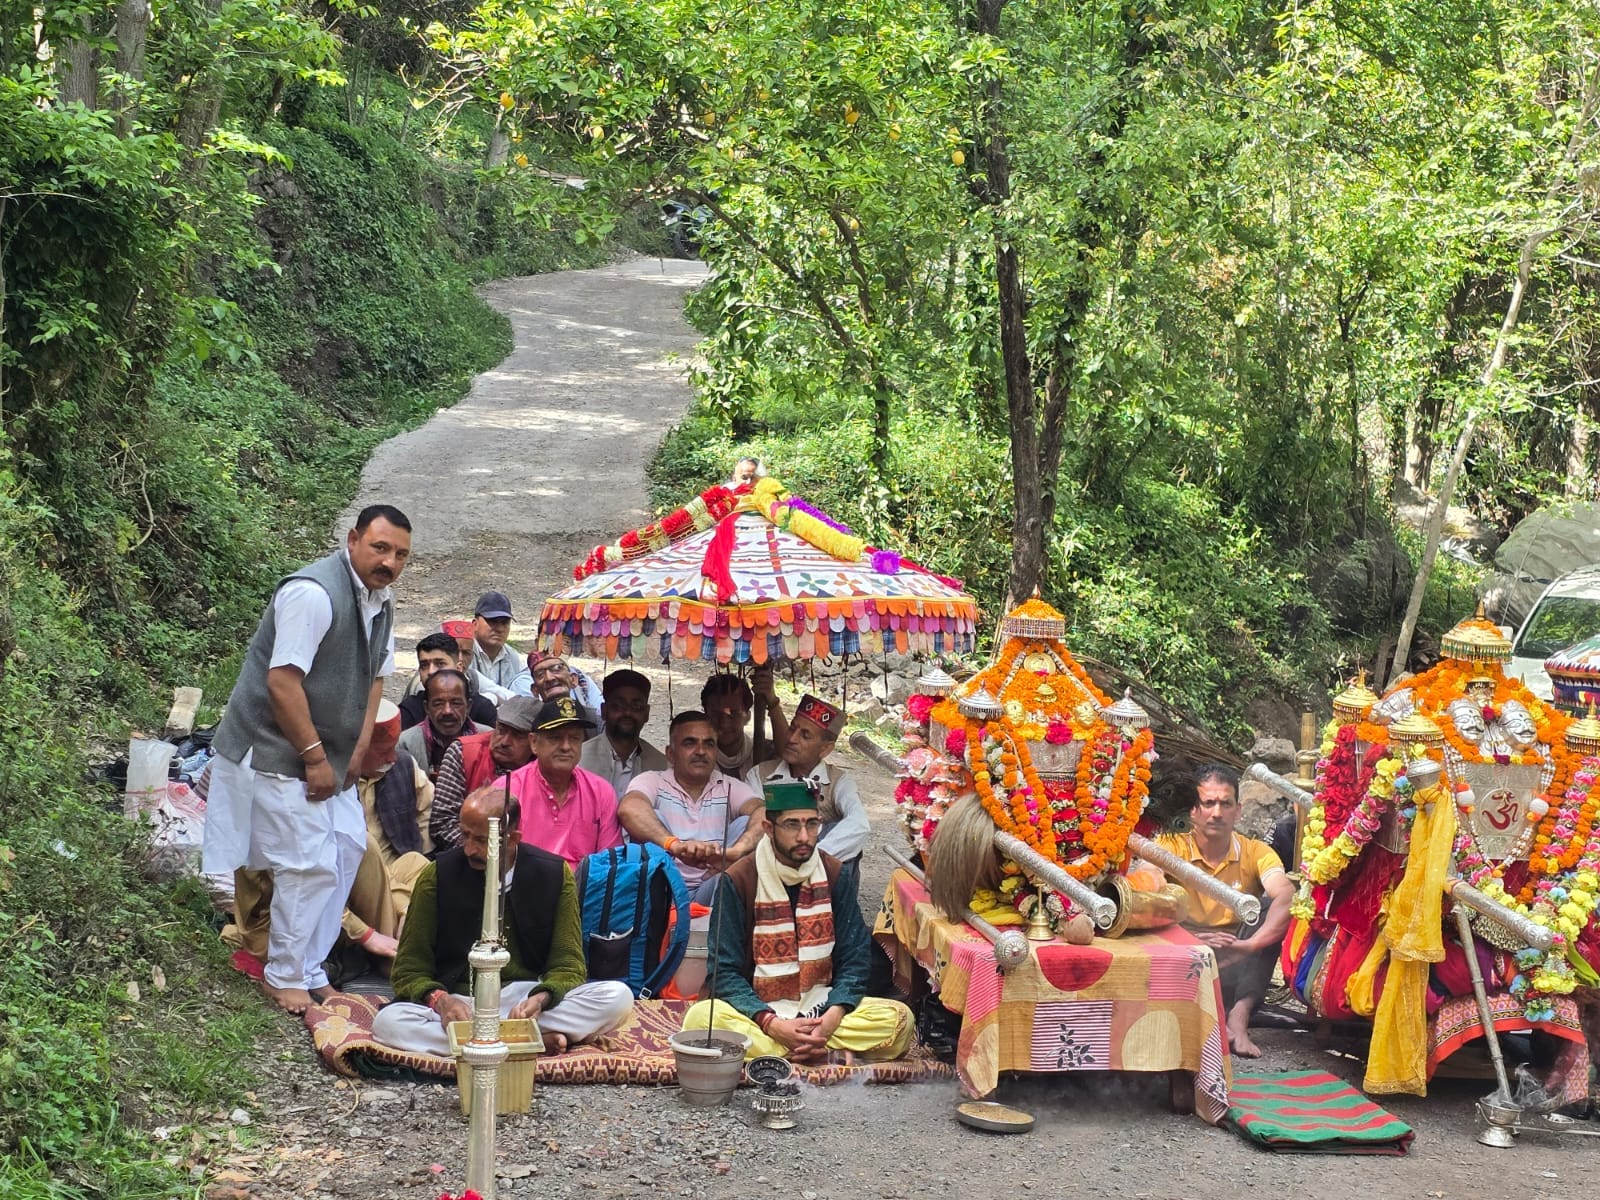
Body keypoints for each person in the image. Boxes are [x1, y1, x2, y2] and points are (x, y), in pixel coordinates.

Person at [203, 503, 410, 1014]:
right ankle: (283, 974)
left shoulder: (380, 602)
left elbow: (376, 679)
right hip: (275, 747)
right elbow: (282, 682)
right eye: (380, 547)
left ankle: (311, 967)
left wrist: (358, 750)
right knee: (306, 863)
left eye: (400, 554)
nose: (389, 562)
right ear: (353, 538)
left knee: (343, 850)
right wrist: (316, 757)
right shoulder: (312, 594)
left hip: (333, 755)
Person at [372, 785, 635, 1055]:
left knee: (618, 997)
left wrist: (541, 999)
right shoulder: (437, 876)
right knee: (388, 1023)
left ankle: (485, 1043)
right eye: (465, 835)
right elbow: (408, 970)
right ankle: (527, 1043)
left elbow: (568, 966)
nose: (469, 849)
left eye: (482, 840)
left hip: (521, 1003)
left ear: (512, 839)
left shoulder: (554, 876)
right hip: (461, 1004)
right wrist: (441, 1001)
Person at [682, 781, 913, 1063]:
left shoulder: (834, 874)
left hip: (822, 1010)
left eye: (812, 824)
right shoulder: (739, 878)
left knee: (900, 1019)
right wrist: (772, 1024)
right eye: (792, 825)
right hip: (759, 1012)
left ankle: (789, 1051)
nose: (804, 836)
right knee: (700, 1018)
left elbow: (855, 961)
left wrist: (831, 1019)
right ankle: (822, 1053)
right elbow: (723, 972)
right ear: (769, 829)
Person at [1156, 763, 1294, 1058]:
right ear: (1193, 810)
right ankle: (1206, 1021)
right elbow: (1144, 890)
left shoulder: (1256, 851)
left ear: (1238, 810)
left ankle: (1239, 1017)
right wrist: (1188, 938)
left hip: (1237, 958)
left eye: (1225, 803)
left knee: (1271, 906)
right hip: (1187, 952)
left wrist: (1249, 945)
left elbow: (1285, 894)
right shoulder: (1169, 846)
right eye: (1208, 803)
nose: (1216, 813)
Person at [618, 711, 764, 903]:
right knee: (653, 816)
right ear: (670, 753)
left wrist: (736, 852)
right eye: (690, 743)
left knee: (750, 822)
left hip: (711, 885)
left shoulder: (729, 786)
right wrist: (676, 846)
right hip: (662, 887)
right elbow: (629, 809)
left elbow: (765, 813)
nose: (701, 751)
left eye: (709, 744)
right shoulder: (654, 780)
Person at [341, 700, 433, 960]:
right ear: (357, 750)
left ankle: (406, 926)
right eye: (383, 752)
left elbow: (427, 812)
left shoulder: (403, 764)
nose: (392, 758)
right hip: (348, 884)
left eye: (394, 749)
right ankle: (398, 953)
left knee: (418, 862)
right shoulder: (331, 782)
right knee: (367, 844)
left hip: (394, 872)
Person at [747, 693, 869, 869]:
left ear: (825, 749)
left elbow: (859, 824)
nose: (791, 739)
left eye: (805, 735)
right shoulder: (760, 774)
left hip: (820, 871)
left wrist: (811, 860)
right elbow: (754, 827)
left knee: (845, 841)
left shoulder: (839, 781)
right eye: (792, 728)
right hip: (771, 866)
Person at [498, 697, 625, 866]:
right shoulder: (507, 790)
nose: (566, 746)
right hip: (523, 889)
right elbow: (496, 860)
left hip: (585, 890)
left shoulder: (601, 792)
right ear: (534, 742)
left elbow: (610, 864)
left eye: (574, 738)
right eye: (555, 738)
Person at [430, 695, 537, 854]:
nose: (505, 741)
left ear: (535, 741)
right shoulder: (462, 752)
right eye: (501, 729)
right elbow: (443, 822)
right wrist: (487, 852)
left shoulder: (542, 767)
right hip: (467, 856)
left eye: (518, 735)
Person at [578, 669, 668, 797]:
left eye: (636, 707)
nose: (627, 713)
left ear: (646, 713)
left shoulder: (661, 766)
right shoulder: (579, 760)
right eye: (619, 706)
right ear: (604, 711)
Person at [397, 669, 489, 783]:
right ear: (427, 708)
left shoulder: (489, 740)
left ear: (468, 706)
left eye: (456, 703)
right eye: (438, 704)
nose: (447, 711)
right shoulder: (406, 744)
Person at [702, 667, 789, 779]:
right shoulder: (696, 758)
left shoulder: (764, 751)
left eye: (734, 713)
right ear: (705, 717)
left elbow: (789, 756)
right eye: (715, 714)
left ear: (748, 717)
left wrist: (772, 701)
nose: (724, 723)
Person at [399, 632, 497, 731]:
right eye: (424, 665)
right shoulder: (409, 710)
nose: (431, 671)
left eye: (440, 663)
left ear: (459, 668)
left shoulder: (483, 709)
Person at [515, 650, 602, 723]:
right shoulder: (530, 722)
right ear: (535, 690)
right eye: (540, 674)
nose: (549, 678)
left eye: (557, 669)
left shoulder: (593, 720)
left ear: (573, 679)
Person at [470, 591, 521, 701]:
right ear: (475, 624)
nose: (500, 629)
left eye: (505, 622)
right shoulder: (464, 652)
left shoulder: (513, 657)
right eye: (492, 621)